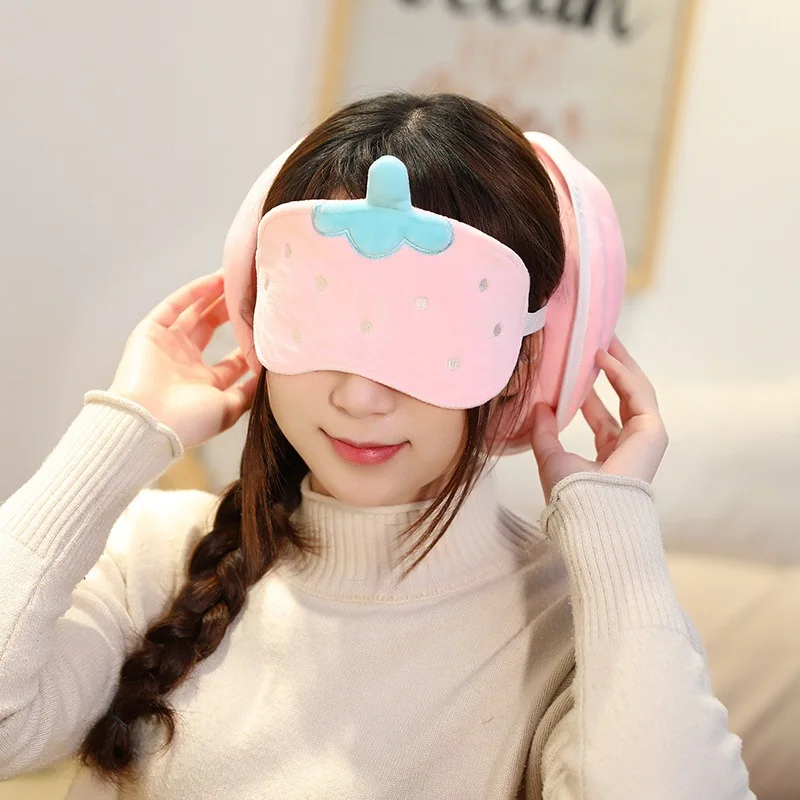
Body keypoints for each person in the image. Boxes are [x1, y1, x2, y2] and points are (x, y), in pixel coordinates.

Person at [0, 93, 754, 799]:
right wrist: (124, 430)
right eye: (324, 324)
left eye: (426, 340)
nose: (360, 399)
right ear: (256, 312)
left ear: (533, 360)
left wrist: (617, 529)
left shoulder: (575, 635)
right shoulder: (155, 558)